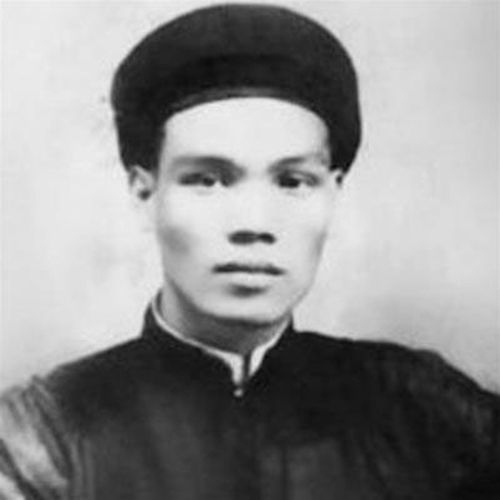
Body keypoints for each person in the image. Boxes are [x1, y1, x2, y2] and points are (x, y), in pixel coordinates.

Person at [0, 3, 498, 499]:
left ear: (333, 193)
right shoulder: (42, 440)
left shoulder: (426, 414)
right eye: (207, 180)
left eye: (292, 181)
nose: (254, 225)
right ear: (144, 194)